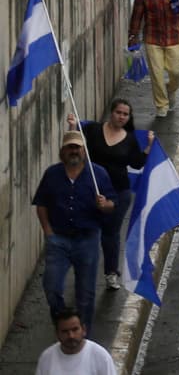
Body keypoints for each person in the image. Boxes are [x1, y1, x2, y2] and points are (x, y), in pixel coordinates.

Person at [33, 131, 117, 339]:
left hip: (87, 239)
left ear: (84, 150)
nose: (74, 151)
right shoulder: (52, 174)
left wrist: (104, 204)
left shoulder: (98, 174)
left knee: (86, 294)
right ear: (63, 151)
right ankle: (64, 324)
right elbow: (41, 204)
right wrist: (48, 232)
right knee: (51, 287)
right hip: (58, 239)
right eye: (70, 147)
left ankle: (82, 336)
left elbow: (112, 204)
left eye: (77, 147)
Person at [70, 100, 151, 292]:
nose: (121, 117)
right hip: (91, 190)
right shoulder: (93, 130)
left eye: (125, 114)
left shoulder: (130, 139)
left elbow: (137, 163)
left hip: (119, 193)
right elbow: (78, 148)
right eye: (118, 112)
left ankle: (111, 273)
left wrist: (148, 146)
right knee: (86, 232)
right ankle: (82, 272)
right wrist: (72, 127)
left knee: (110, 234)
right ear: (111, 113)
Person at [36, 308, 117, 375]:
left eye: (75, 330)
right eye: (65, 331)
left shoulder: (101, 357)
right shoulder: (46, 358)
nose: (71, 336)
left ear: (84, 330)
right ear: (57, 334)